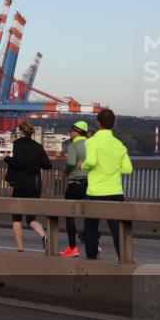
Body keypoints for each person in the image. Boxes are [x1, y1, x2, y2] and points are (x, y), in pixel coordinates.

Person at [81, 108, 133, 261]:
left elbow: (91, 162)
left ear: (98, 123)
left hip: (95, 193)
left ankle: (91, 262)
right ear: (114, 124)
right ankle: (124, 262)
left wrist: (82, 166)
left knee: (90, 229)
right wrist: (113, 169)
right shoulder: (119, 144)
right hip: (115, 193)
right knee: (118, 230)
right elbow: (128, 169)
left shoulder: (91, 142)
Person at [3, 121, 52, 253]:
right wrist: (35, 163)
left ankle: (20, 249)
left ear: (21, 131)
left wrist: (7, 158)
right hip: (35, 184)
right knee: (31, 218)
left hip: (20, 184)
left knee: (17, 218)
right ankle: (44, 236)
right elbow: (48, 165)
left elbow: (19, 163)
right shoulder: (38, 146)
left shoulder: (18, 144)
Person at [61, 121, 90, 258]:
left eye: (71, 130)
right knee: (89, 215)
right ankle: (93, 242)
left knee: (69, 215)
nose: (70, 133)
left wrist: (65, 172)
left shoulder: (73, 146)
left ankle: (72, 247)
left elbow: (71, 162)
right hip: (90, 185)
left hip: (75, 184)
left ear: (76, 132)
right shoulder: (91, 144)